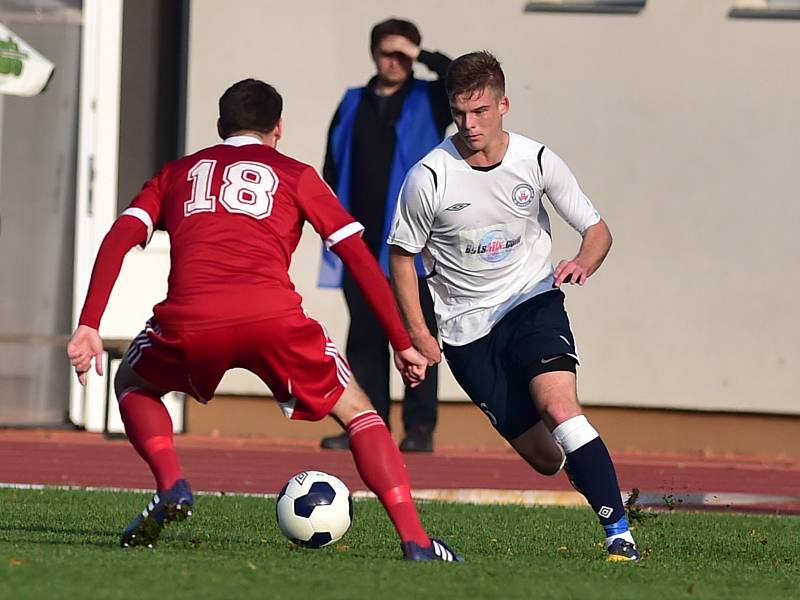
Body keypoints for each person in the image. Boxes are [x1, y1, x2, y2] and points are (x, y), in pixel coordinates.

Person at [66, 79, 460, 562]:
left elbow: (118, 237)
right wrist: (401, 340)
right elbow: (357, 256)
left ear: (219, 127)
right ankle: (416, 540)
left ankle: (172, 484)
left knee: (132, 381)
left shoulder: (177, 173)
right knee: (360, 413)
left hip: (192, 319)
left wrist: (89, 323)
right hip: (274, 319)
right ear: (278, 129)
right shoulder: (296, 174)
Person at [387, 51, 640, 561]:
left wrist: (582, 263)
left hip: (532, 302)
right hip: (465, 331)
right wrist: (417, 335)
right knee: (547, 458)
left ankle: (618, 534)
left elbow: (597, 231)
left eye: (480, 111)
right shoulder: (429, 177)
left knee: (560, 406)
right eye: (460, 113)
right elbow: (401, 256)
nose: (469, 124)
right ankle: (598, 478)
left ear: (503, 105)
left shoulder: (538, 160)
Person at [317, 18, 452, 453]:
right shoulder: (353, 101)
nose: (394, 61)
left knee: (418, 331)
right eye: (387, 52)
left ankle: (419, 428)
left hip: (415, 242)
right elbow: (331, 165)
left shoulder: (431, 99)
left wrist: (422, 55)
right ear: (373, 53)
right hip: (358, 239)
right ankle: (367, 423)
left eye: (403, 53)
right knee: (365, 336)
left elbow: (459, 79)